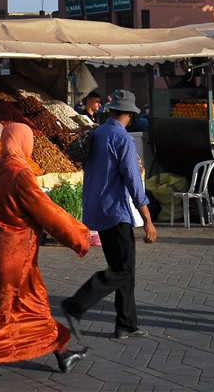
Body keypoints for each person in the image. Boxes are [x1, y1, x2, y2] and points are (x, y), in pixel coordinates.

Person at [0, 122, 91, 381]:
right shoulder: (19, 173)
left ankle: (63, 353)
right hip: (13, 256)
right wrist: (80, 236)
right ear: (23, 142)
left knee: (35, 305)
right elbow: (46, 210)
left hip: (1, 251)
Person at [61, 89, 158, 343]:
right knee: (124, 269)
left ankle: (126, 323)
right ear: (129, 114)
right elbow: (133, 182)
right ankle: (77, 303)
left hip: (97, 209)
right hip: (115, 211)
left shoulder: (99, 132)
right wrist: (147, 218)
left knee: (123, 268)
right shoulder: (121, 139)